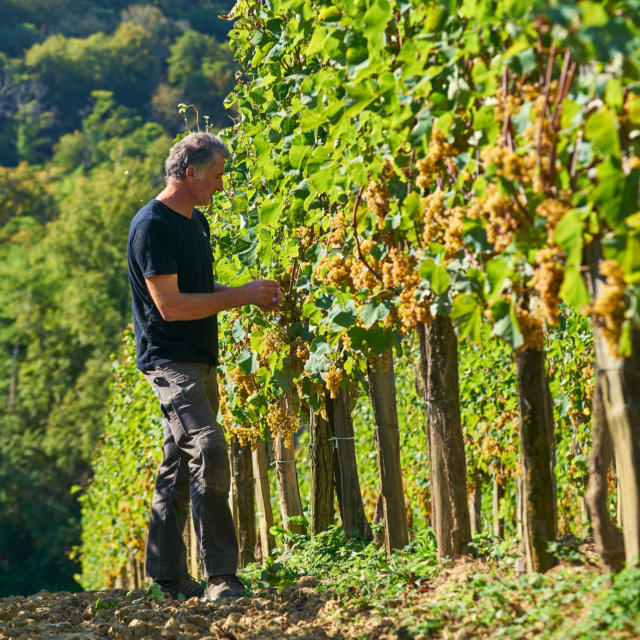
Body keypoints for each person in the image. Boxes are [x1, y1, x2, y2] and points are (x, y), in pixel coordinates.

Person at [127, 132, 281, 600]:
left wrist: (247, 293)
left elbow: (199, 286)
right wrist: (241, 297)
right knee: (209, 446)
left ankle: (169, 576)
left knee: (176, 463)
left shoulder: (196, 222)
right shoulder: (152, 225)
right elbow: (169, 306)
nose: (221, 185)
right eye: (216, 176)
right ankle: (221, 575)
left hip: (200, 357)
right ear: (190, 173)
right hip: (169, 360)